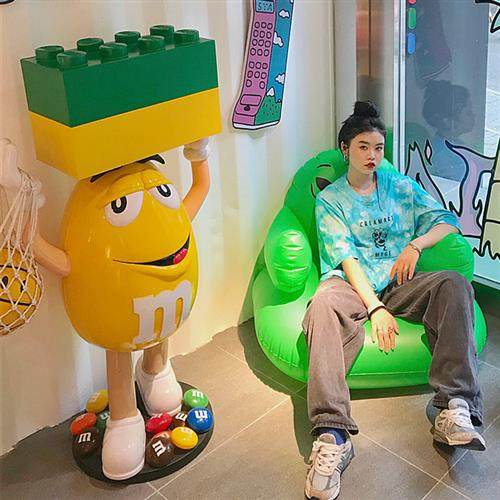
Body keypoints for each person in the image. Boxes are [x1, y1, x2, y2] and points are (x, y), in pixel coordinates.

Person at [303, 101, 485, 500]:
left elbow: (446, 220)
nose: (372, 155)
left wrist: (415, 246)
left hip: (400, 281)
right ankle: (332, 434)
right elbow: (346, 259)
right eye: (363, 146)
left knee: (455, 284)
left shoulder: (399, 186)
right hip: (351, 285)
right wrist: (376, 308)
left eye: (379, 147)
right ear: (345, 149)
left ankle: (455, 406)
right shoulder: (330, 199)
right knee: (320, 305)